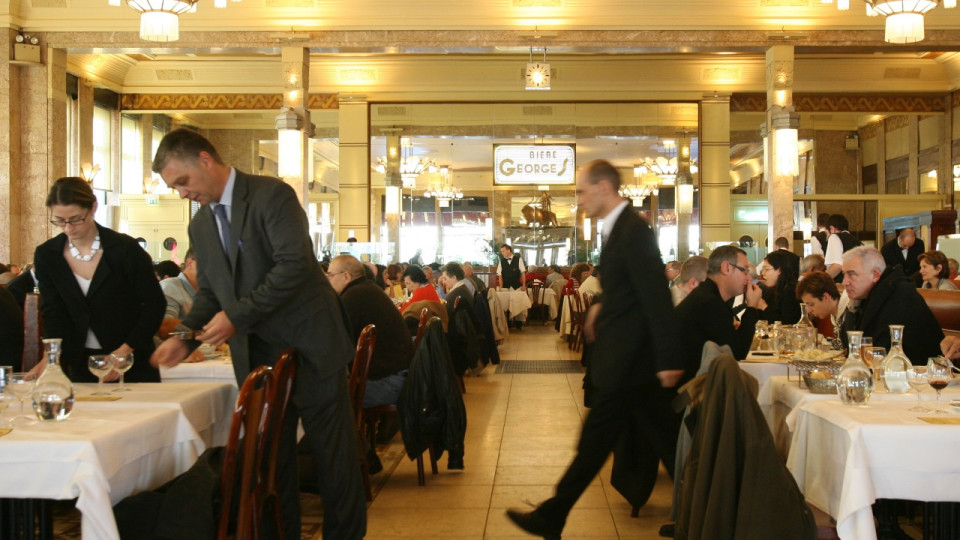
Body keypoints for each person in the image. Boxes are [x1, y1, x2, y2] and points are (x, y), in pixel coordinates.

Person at [148, 129, 365, 540]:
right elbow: (212, 291)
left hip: (311, 343)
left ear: (205, 161)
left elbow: (293, 267)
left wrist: (236, 316)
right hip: (260, 355)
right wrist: (185, 336)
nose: (181, 194)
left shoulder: (271, 196)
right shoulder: (202, 225)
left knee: (332, 458)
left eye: (182, 182)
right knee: (271, 461)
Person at [506, 160, 683, 539]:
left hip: (636, 361)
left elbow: (655, 295)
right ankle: (553, 514)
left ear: (604, 187)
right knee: (629, 442)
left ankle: (552, 515)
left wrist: (668, 357)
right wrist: (602, 306)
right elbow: (630, 290)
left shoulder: (633, 230)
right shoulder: (617, 229)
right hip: (628, 360)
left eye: (583, 191)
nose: (580, 199)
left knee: (611, 442)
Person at [34, 177, 165, 383]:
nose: (68, 228)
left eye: (76, 219)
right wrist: (50, 356)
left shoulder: (124, 249)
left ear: (93, 208)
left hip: (132, 361)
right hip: (80, 363)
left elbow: (155, 304)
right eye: (59, 220)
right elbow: (53, 312)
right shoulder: (48, 255)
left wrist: (125, 350)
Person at [326, 255, 413, 409]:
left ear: (346, 276)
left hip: (390, 383)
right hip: (403, 377)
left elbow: (334, 346)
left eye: (330, 275)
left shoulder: (352, 297)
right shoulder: (368, 289)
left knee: (318, 398)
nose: (327, 280)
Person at [839, 246, 943, 363]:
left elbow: (877, 353)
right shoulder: (869, 295)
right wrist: (853, 308)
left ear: (875, 275)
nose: (844, 282)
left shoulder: (899, 295)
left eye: (851, 274)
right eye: (844, 274)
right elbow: (849, 347)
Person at [674, 246, 768, 373]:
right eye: (744, 271)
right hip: (688, 387)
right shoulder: (709, 301)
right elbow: (737, 352)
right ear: (726, 268)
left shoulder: (707, 295)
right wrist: (752, 307)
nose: (749, 279)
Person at [795, 271, 849, 345]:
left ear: (826, 297)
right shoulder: (834, 313)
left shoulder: (849, 311)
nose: (808, 310)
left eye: (811, 304)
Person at [758, 250, 801, 325]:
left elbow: (787, 324)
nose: (763, 273)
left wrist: (764, 307)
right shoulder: (772, 290)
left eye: (767, 269)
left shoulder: (791, 291)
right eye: (763, 269)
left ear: (780, 270)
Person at [823, 213, 862, 282]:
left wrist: (822, 280)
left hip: (842, 283)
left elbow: (837, 266)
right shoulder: (856, 240)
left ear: (832, 229)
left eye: (826, 233)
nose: (826, 238)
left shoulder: (834, 237)